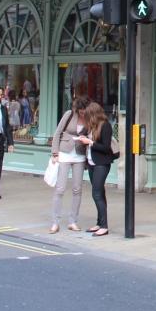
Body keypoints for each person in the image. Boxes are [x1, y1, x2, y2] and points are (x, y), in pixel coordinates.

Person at [49, 96, 89, 234]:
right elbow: (58, 132)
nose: (83, 113)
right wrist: (55, 153)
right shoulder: (69, 114)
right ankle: (55, 222)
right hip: (64, 152)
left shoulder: (89, 117)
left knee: (77, 189)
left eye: (85, 110)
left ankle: (73, 221)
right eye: (81, 110)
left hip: (80, 155)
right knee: (60, 189)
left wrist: (86, 139)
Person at [78, 100, 118, 237]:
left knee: (96, 193)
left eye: (88, 115)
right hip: (91, 163)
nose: (86, 118)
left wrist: (90, 142)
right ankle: (99, 223)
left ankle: (104, 226)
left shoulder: (105, 126)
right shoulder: (90, 126)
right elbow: (80, 134)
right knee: (99, 193)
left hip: (102, 163)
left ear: (94, 114)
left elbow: (105, 147)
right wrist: (82, 138)